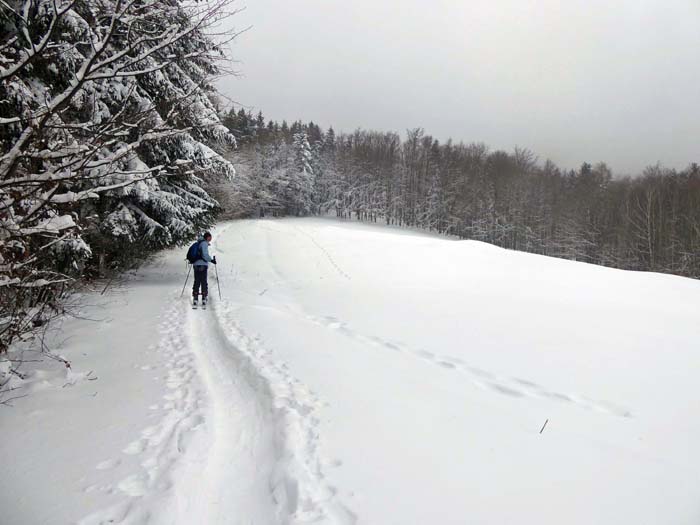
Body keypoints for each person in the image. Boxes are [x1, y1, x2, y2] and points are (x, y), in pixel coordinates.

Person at [192, 231, 216, 306]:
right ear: (207, 237)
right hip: (203, 265)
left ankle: (195, 297)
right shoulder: (204, 243)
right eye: (210, 237)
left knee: (197, 280)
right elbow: (205, 254)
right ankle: (204, 297)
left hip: (196, 264)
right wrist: (211, 260)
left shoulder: (199, 243)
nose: (211, 239)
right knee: (203, 281)